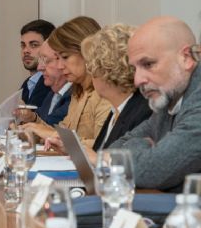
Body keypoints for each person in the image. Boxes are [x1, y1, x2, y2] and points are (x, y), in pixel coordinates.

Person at [110, 16, 201, 190]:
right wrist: (146, 152)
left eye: (148, 64)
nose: (138, 80)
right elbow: (114, 148)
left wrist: (140, 146)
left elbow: (150, 172)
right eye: (135, 68)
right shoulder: (169, 97)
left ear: (187, 58)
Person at [45, 24, 152, 162]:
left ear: (105, 70)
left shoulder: (142, 110)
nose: (90, 72)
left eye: (91, 65)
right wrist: (73, 149)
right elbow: (99, 153)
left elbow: (125, 165)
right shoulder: (117, 109)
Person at [21, 16, 111, 148]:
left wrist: (52, 135)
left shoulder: (105, 92)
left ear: (87, 52)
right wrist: (34, 126)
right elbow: (64, 132)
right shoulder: (79, 91)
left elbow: (105, 146)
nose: (61, 66)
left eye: (65, 57)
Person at [0, 19, 55, 119]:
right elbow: (6, 112)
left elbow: (26, 117)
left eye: (34, 45)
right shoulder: (29, 82)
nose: (26, 51)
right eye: (23, 45)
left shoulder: (49, 82)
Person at [14, 40, 72, 126]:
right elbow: (42, 124)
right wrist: (30, 117)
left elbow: (53, 130)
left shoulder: (73, 95)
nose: (39, 68)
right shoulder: (52, 93)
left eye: (46, 60)